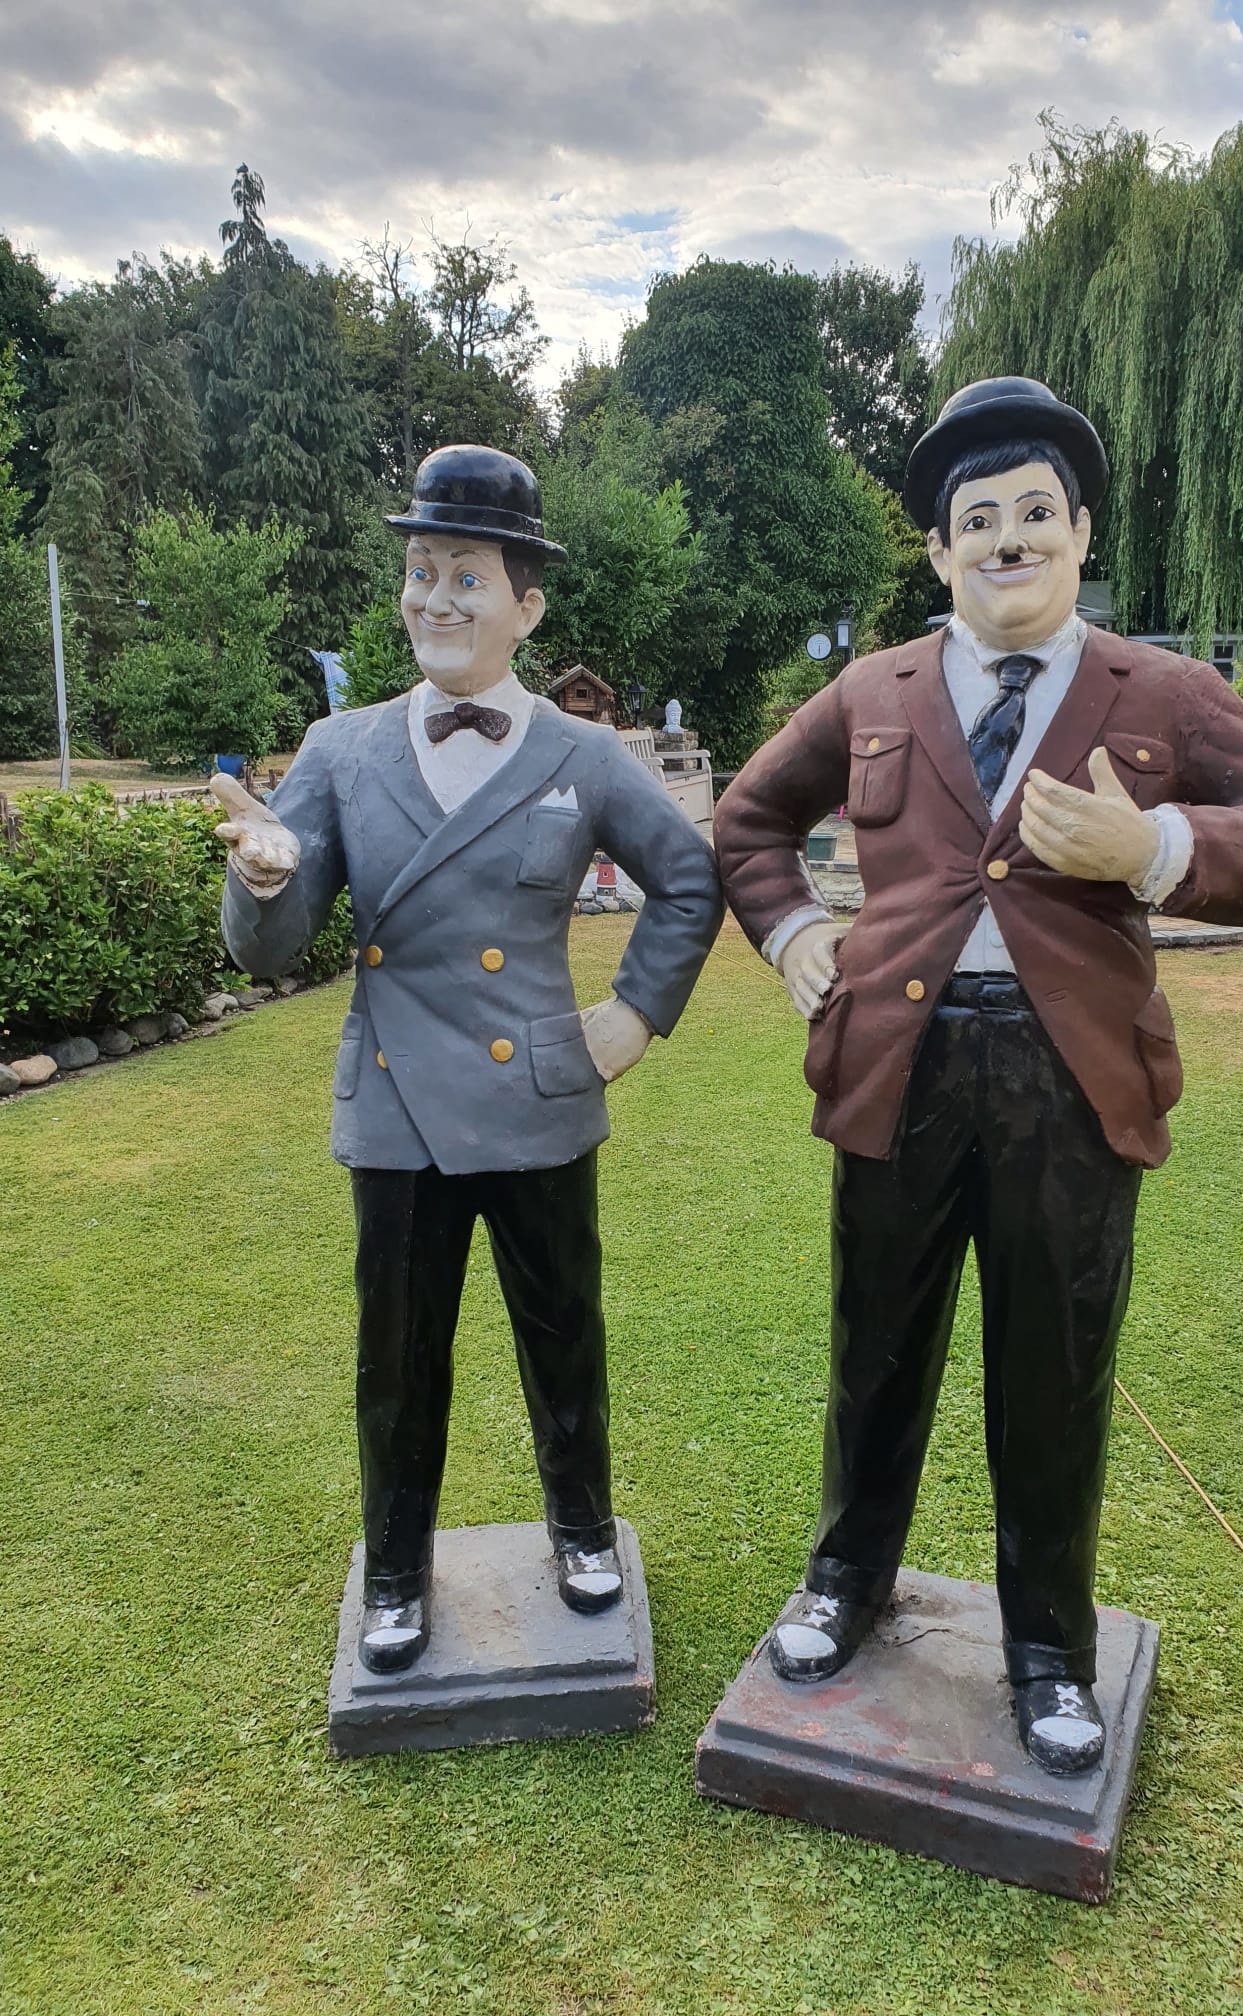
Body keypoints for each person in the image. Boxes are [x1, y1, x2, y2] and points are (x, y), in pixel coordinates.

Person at [713, 377, 1243, 1774]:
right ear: (937, 552)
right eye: (974, 519)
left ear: (1080, 533)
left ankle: (1049, 1649)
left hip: (1071, 1081)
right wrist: (800, 931)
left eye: (1034, 515)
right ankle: (844, 1586)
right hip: (897, 1071)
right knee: (876, 1355)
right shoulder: (874, 689)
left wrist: (1153, 851)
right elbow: (749, 818)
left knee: (1054, 1369)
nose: (1006, 540)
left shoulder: (1158, 689)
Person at [214, 444, 722, 1674]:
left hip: (540, 1098)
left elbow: (689, 876)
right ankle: (396, 1573)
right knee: (397, 1357)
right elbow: (276, 950)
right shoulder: (341, 748)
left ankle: (584, 1531)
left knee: (563, 1336)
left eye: (468, 577)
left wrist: (632, 1019)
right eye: (422, 571)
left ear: (526, 604)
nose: (438, 600)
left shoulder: (584, 753)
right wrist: (263, 880)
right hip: (394, 1108)